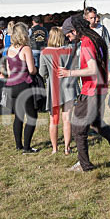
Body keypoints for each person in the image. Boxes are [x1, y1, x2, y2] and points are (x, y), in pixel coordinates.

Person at [59, 14, 110, 172]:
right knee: (95, 122)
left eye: (68, 35)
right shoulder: (96, 38)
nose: (68, 39)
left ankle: (85, 165)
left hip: (91, 90)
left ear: (75, 30)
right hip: (100, 88)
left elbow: (92, 69)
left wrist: (69, 73)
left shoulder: (87, 42)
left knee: (78, 128)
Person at [39, 25, 79, 154]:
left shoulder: (44, 52)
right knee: (67, 118)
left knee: (54, 120)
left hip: (54, 89)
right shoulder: (70, 50)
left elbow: (42, 72)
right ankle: (67, 148)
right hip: (68, 87)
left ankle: (55, 148)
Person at [5, 22, 39, 154]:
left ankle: (18, 145)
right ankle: (27, 147)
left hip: (12, 85)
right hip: (24, 84)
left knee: (18, 116)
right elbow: (31, 69)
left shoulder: (9, 49)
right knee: (31, 116)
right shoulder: (25, 49)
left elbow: (9, 71)